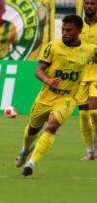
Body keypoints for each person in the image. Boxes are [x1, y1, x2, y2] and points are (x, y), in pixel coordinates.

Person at [14, 14, 97, 177]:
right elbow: (38, 70)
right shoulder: (53, 47)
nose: (65, 33)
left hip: (67, 98)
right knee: (32, 129)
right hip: (46, 96)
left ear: (79, 31)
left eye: (69, 30)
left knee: (52, 126)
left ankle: (32, 163)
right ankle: (25, 150)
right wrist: (48, 80)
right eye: (63, 29)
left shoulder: (89, 49)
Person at [77, 0, 97, 161]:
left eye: (92, 4)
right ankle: (89, 151)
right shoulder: (78, 26)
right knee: (83, 115)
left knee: (94, 112)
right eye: (87, 3)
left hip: (96, 76)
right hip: (81, 76)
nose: (89, 6)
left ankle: (96, 146)